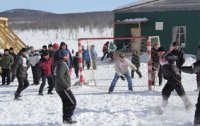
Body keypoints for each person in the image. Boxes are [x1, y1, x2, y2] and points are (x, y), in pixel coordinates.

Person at [156, 47, 192, 114]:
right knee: (165, 91)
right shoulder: (161, 59)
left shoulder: (168, 55)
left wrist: (166, 57)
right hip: (170, 78)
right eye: (158, 53)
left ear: (164, 52)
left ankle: (189, 105)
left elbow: (175, 57)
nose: (160, 54)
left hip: (175, 77)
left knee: (180, 92)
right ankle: (162, 106)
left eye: (161, 53)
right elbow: (162, 68)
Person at [55, 49, 77, 124]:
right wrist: (66, 85)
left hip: (61, 87)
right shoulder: (62, 64)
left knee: (66, 102)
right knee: (72, 102)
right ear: (64, 56)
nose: (68, 56)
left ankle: (66, 119)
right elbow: (59, 76)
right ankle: (67, 117)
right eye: (67, 55)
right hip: (63, 88)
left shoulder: (62, 63)